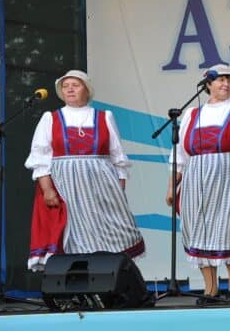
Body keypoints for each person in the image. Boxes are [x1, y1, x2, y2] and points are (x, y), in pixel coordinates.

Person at [166, 64, 230, 304]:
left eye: (229, 80)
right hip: (195, 178)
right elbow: (180, 155)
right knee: (197, 229)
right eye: (220, 79)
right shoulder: (192, 114)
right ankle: (210, 289)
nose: (226, 84)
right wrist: (172, 186)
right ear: (208, 84)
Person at [25, 70, 145, 271]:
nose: (70, 89)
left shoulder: (104, 117)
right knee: (73, 234)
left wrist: (118, 191)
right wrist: (47, 190)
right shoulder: (51, 118)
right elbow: (40, 158)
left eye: (75, 85)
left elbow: (118, 157)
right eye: (65, 86)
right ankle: (79, 280)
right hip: (66, 189)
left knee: (113, 231)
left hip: (102, 188)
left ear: (87, 90)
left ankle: (108, 278)